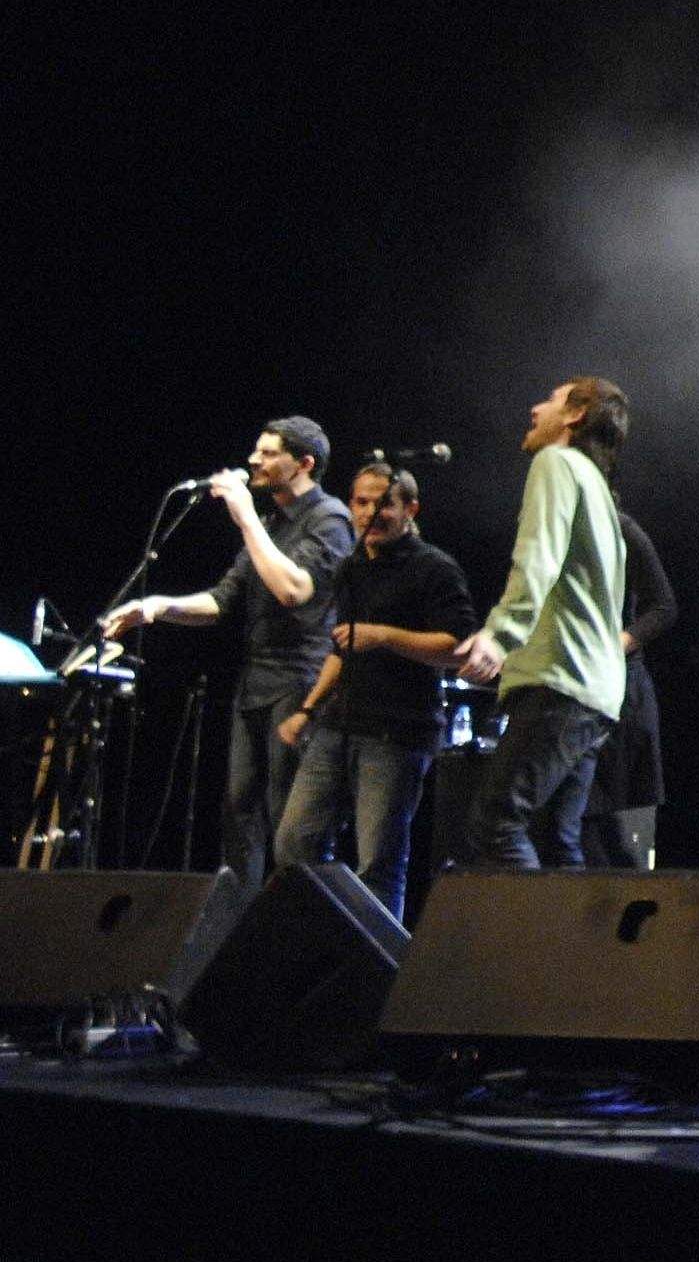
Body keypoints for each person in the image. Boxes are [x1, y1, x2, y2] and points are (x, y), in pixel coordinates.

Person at [104, 418, 354, 889]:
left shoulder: (330, 519)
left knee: (288, 819)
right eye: (255, 451)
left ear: (304, 464)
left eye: (268, 453)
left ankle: (289, 927)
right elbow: (223, 599)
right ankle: (237, 924)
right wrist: (159, 606)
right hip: (255, 681)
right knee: (239, 811)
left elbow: (294, 591)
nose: (254, 461)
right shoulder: (272, 523)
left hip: (301, 682)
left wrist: (244, 517)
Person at [273, 464, 477, 915]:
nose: (370, 513)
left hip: (398, 734)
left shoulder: (434, 568)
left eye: (383, 503)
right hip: (338, 726)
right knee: (294, 842)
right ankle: (323, 939)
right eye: (361, 502)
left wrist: (384, 636)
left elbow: (459, 649)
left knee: (378, 864)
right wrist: (308, 709)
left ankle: (376, 971)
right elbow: (343, 646)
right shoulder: (351, 568)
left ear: (410, 509)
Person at [455, 378, 630, 871]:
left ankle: (534, 950)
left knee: (495, 824)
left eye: (550, 400)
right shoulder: (600, 488)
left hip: (562, 680)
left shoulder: (555, 463)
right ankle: (574, 949)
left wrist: (499, 635)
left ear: (575, 416)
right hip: (598, 690)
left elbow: (539, 558)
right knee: (557, 840)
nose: (535, 408)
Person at [578, 508, 676, 868]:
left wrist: (615, 645)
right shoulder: (544, 528)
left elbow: (663, 607)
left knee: (621, 841)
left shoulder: (618, 527)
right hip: (571, 696)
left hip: (620, 696)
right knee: (574, 834)